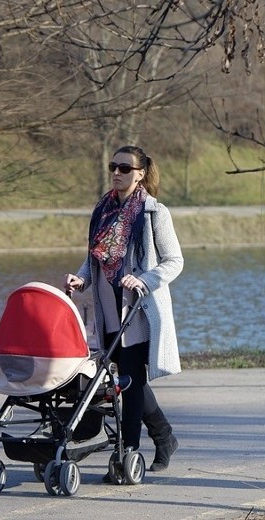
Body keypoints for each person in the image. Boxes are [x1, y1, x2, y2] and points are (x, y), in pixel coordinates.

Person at [64, 144, 183, 474]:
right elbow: (96, 260)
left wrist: (144, 279)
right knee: (131, 382)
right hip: (108, 313)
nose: (117, 172)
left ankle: (126, 454)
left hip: (138, 313)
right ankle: (164, 436)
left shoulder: (153, 213)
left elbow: (175, 262)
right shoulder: (102, 210)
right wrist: (81, 279)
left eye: (125, 168)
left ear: (140, 173)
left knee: (130, 384)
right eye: (113, 167)